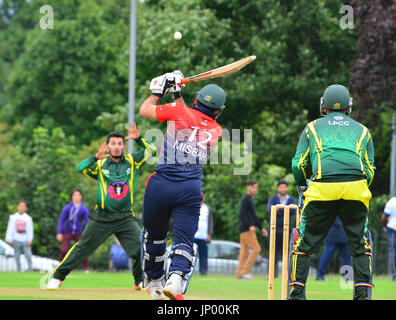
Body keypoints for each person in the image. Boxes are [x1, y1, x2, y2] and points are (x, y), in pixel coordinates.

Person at [139, 71, 224, 299]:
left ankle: (155, 281)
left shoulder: (179, 110)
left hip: (161, 185)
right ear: (218, 111)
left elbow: (145, 110)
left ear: (196, 100)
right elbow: (188, 115)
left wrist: (159, 92)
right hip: (189, 190)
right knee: (184, 240)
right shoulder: (217, 130)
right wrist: (175, 92)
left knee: (155, 237)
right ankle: (176, 278)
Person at [290, 84, 375, 300]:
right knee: (360, 244)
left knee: (304, 244)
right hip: (356, 188)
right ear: (348, 107)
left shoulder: (312, 127)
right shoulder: (363, 130)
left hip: (322, 188)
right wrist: (357, 187)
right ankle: (362, 296)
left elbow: (298, 165)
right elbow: (369, 170)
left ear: (323, 106)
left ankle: (297, 295)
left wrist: (302, 186)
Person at [47, 123, 156, 291]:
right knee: (81, 249)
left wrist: (139, 138)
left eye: (120, 144)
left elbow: (153, 150)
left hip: (125, 217)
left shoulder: (133, 161)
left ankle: (138, 281)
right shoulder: (100, 164)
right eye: (113, 144)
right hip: (102, 218)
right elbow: (80, 168)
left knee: (142, 249)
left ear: (124, 146)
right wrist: (94, 158)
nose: (117, 147)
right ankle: (57, 277)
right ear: (108, 146)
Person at [236, 180, 268, 280]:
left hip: (245, 229)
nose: (255, 189)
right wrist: (250, 225)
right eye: (254, 187)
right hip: (246, 229)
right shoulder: (246, 199)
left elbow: (254, 216)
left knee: (244, 252)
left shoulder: (250, 199)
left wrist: (261, 228)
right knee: (256, 249)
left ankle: (239, 274)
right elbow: (242, 214)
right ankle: (244, 272)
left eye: (256, 188)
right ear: (248, 187)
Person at [267, 179, 297, 277]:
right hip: (274, 230)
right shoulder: (272, 199)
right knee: (273, 253)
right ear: (278, 188)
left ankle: (289, 275)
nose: (283, 188)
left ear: (287, 188)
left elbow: (293, 211)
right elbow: (270, 210)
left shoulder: (291, 199)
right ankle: (271, 274)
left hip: (287, 230)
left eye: (284, 186)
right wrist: (286, 209)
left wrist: (280, 209)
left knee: (288, 253)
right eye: (281, 187)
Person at [56, 189, 90, 272]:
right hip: (68, 231)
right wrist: (59, 232)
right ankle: (61, 267)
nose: (76, 197)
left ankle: (86, 269)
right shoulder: (68, 208)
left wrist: (88, 233)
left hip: (78, 232)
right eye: (75, 195)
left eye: (78, 195)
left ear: (81, 197)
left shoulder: (84, 209)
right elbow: (61, 219)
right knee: (63, 250)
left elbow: (87, 222)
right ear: (72, 197)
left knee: (83, 249)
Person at [316, 216, 351, 281]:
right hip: (339, 233)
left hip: (334, 232)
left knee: (328, 255)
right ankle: (347, 277)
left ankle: (320, 275)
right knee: (346, 257)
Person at [5, 201, 34, 272]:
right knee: (17, 256)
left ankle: (30, 268)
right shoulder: (13, 217)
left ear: (26, 208)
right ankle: (19, 270)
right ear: (18, 207)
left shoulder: (28, 218)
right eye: (20, 206)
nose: (21, 208)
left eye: (23, 206)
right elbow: (10, 228)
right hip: (16, 239)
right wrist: (9, 239)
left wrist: (30, 240)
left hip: (25, 240)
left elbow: (30, 230)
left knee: (28, 255)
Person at [193, 202, 213, 276]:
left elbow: (210, 222)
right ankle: (189, 271)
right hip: (194, 236)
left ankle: (203, 272)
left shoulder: (207, 208)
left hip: (204, 237)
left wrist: (209, 234)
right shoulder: (194, 206)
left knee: (203, 256)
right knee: (191, 255)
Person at [382, 190, 396, 281]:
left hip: (392, 230)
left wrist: (384, 226)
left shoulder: (391, 202)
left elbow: (384, 217)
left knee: (392, 254)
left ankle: (395, 276)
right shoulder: (391, 202)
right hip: (392, 230)